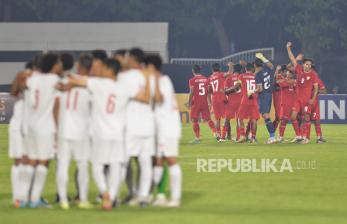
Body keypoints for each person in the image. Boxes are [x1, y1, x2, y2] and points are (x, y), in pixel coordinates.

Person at [57, 58, 152, 210]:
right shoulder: (124, 88)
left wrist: (66, 82)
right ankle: (113, 197)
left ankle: (104, 192)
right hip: (118, 134)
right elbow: (145, 98)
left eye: (103, 68)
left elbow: (77, 81)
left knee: (96, 166)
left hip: (100, 133)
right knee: (116, 166)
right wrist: (147, 80)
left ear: (109, 70)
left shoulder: (98, 84)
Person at [17, 53, 62, 208]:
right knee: (43, 162)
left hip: (30, 125)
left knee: (30, 161)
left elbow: (18, 90)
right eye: (57, 63)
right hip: (45, 126)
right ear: (52, 65)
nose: (59, 66)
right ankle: (35, 199)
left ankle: (22, 199)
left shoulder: (31, 78)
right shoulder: (54, 80)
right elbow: (56, 107)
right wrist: (57, 130)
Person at [55, 54, 93, 210]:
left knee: (63, 165)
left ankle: (63, 200)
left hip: (63, 129)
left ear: (79, 66)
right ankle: (82, 199)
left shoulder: (65, 81)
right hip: (82, 131)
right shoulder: (91, 85)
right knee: (82, 165)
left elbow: (56, 104)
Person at [146, 55, 182, 207]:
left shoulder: (162, 81)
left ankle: (175, 197)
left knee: (171, 160)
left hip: (168, 127)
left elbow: (159, 99)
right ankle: (159, 196)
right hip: (161, 127)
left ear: (151, 67)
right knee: (158, 161)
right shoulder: (159, 80)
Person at [286, 42, 319, 144]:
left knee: (306, 118)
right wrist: (288, 48)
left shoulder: (313, 74)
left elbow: (316, 88)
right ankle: (299, 135)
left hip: (306, 100)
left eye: (310, 65)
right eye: (307, 64)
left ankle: (306, 137)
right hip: (297, 99)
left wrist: (312, 99)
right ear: (303, 64)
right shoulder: (299, 69)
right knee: (292, 117)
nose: (308, 66)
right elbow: (292, 59)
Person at [226, 63, 259, 143]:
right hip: (254, 99)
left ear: (245, 69)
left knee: (239, 117)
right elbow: (259, 88)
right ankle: (253, 138)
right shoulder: (255, 77)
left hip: (245, 99)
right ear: (252, 69)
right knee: (254, 119)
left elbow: (236, 87)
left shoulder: (241, 76)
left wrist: (227, 91)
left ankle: (242, 135)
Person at [187, 65, 217, 143]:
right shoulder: (206, 79)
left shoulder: (192, 80)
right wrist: (210, 103)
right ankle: (215, 133)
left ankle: (197, 138)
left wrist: (189, 102)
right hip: (204, 102)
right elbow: (209, 92)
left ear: (193, 71)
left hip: (196, 102)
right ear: (200, 70)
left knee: (195, 120)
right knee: (208, 119)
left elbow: (192, 92)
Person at [251, 53, 277, 144]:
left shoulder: (257, 75)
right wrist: (262, 57)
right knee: (262, 115)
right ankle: (252, 135)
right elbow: (271, 65)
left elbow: (260, 89)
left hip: (263, 96)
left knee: (265, 116)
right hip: (269, 95)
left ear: (254, 65)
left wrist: (252, 91)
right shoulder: (267, 70)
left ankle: (272, 137)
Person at [223, 63, 243, 141]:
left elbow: (225, 91)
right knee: (239, 119)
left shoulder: (229, 78)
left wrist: (228, 91)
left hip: (231, 101)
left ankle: (223, 137)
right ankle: (238, 137)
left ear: (234, 70)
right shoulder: (242, 77)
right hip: (241, 101)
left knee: (227, 119)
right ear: (241, 70)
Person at [277, 69, 297, 142]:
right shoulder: (285, 81)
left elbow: (295, 84)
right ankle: (281, 136)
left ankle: (298, 136)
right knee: (283, 120)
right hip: (285, 103)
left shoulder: (292, 81)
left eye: (291, 73)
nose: (289, 74)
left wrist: (288, 81)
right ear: (287, 73)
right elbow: (279, 82)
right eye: (289, 73)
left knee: (294, 119)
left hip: (293, 103)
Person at [208, 63, 226, 138]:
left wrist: (209, 102)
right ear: (219, 68)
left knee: (217, 119)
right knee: (225, 117)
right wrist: (230, 66)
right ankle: (224, 135)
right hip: (222, 96)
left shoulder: (209, 78)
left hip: (214, 98)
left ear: (212, 69)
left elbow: (209, 91)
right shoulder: (221, 74)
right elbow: (229, 73)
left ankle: (218, 134)